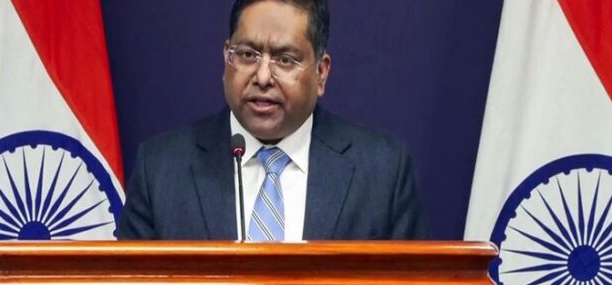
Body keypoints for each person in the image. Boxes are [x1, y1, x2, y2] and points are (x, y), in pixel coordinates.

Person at [117, 0, 426, 240]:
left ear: (321, 72)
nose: (262, 77)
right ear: (226, 57)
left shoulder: (382, 172)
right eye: (247, 55)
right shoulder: (160, 170)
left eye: (285, 60)